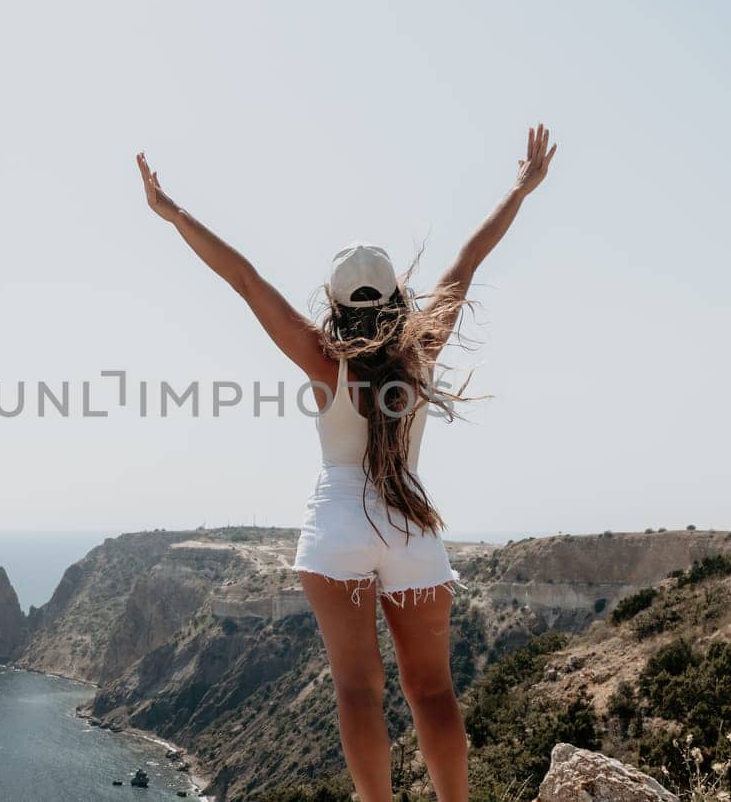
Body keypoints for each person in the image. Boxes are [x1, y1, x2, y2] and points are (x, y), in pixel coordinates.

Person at [135, 124, 556, 802]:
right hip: (411, 529)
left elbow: (245, 279)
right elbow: (468, 259)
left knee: (360, 689)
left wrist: (174, 212)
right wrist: (520, 190)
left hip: (337, 530)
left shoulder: (320, 357)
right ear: (396, 299)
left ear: (333, 304)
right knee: (434, 691)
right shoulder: (422, 351)